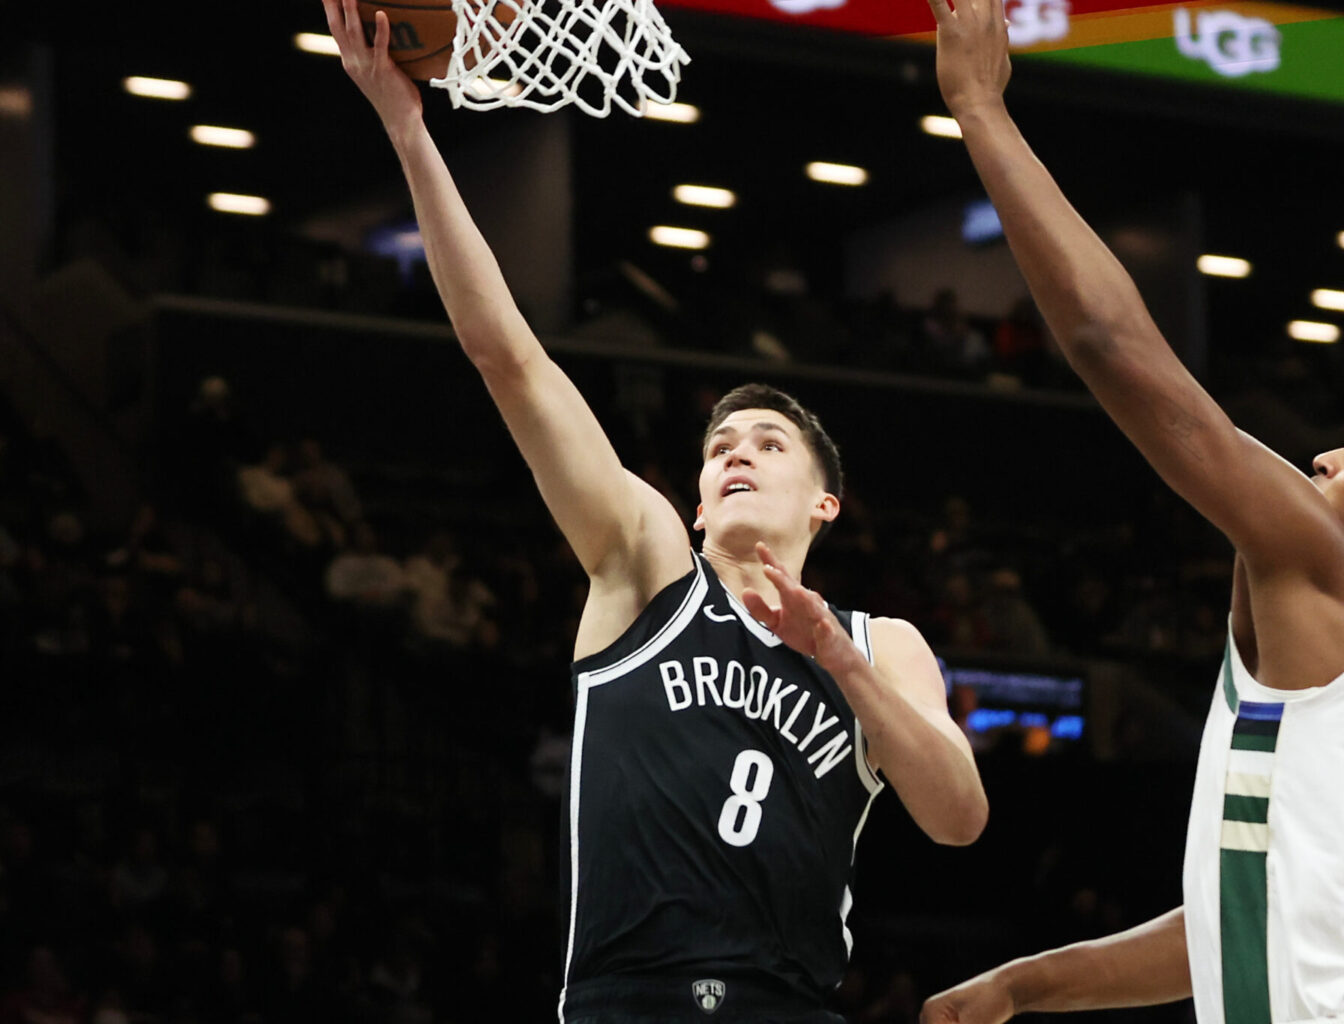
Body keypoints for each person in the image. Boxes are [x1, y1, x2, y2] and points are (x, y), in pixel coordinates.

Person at [319, 4, 989, 1021]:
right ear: (694, 494)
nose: (735, 453)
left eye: (767, 443)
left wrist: (840, 664)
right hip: (625, 1004)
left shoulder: (881, 643)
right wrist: (409, 131)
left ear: (825, 501)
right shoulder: (645, 562)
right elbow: (510, 358)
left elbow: (960, 819)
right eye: (720, 448)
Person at [917, 3, 1344, 1023]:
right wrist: (1025, 983)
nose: (1322, 456)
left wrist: (980, 108)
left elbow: (1111, 345)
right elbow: (1246, 911)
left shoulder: (1339, 570)